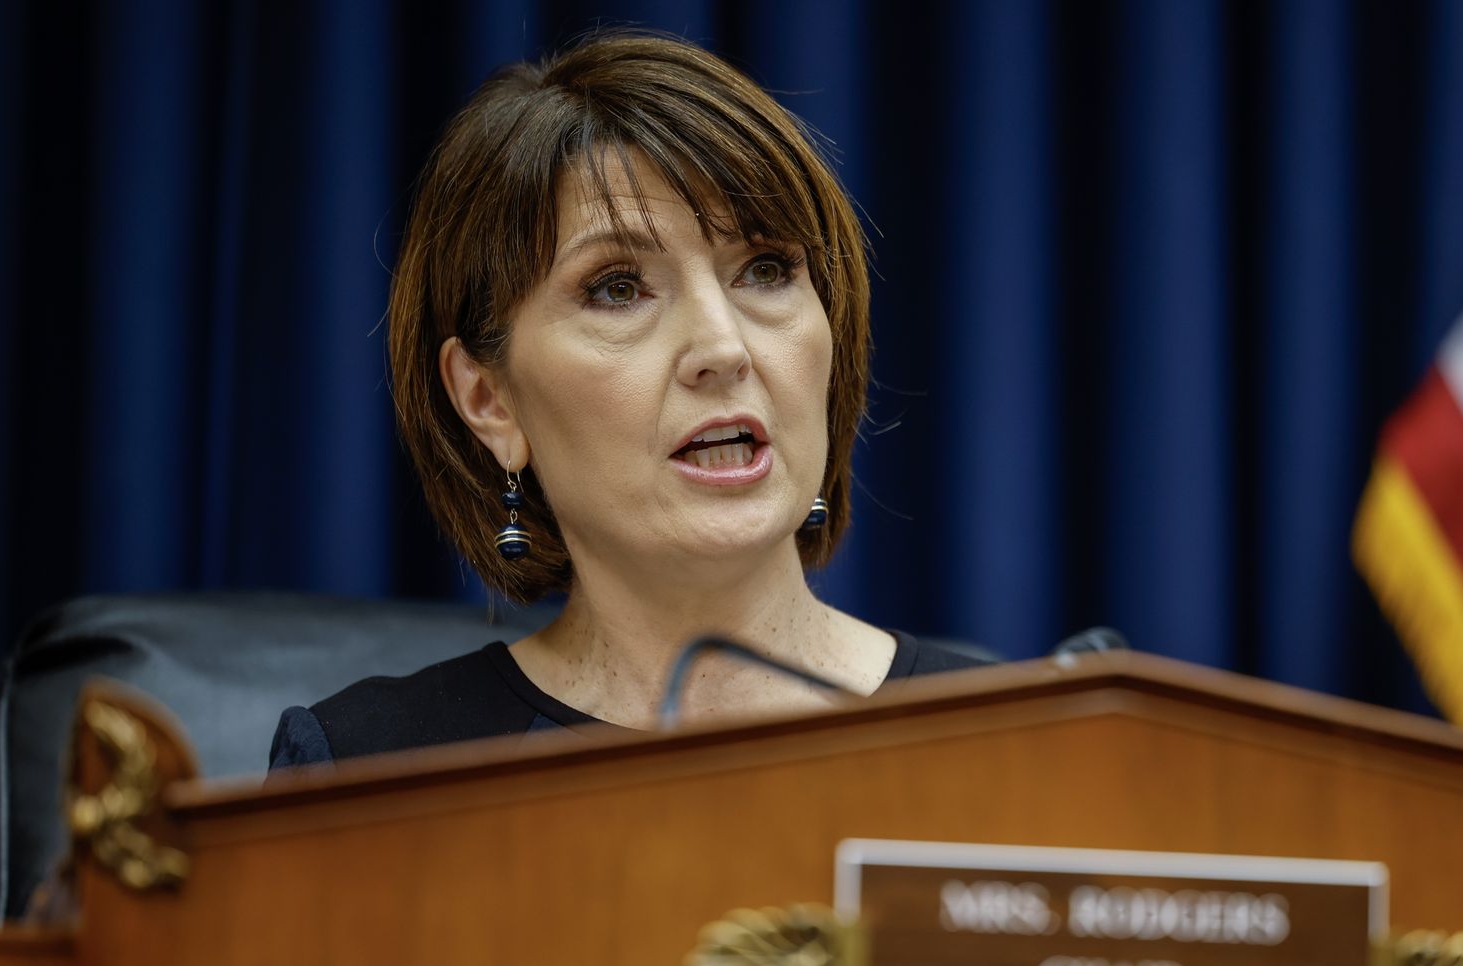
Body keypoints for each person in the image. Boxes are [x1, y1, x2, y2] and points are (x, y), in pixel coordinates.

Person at [269, 33, 991, 768]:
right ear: (489, 401)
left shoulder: (1036, 740)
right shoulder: (367, 769)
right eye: (617, 288)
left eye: (765, 269)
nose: (722, 349)